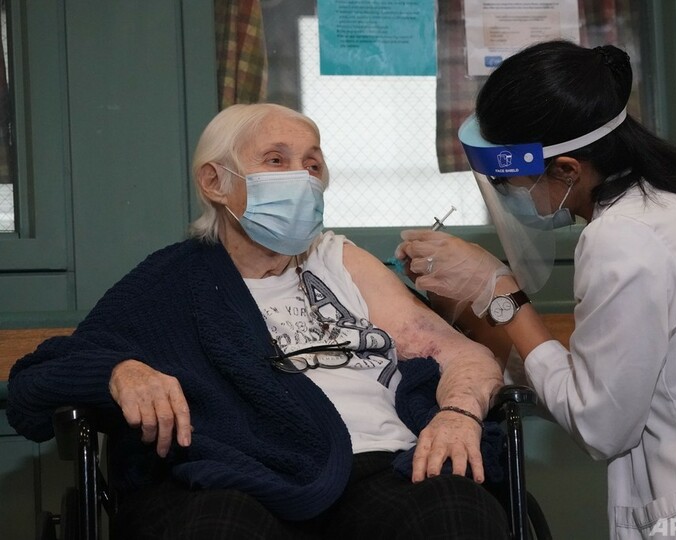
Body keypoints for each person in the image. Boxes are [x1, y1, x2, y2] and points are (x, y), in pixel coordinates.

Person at [7, 103, 512, 539]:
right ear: (215, 182)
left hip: (384, 468)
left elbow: (462, 355)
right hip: (240, 476)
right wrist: (121, 371)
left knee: (455, 511)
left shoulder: (340, 260)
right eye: (276, 160)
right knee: (219, 527)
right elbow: (35, 382)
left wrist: (458, 413)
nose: (302, 178)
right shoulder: (172, 280)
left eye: (312, 165)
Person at [396, 40, 676, 539]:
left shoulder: (622, 238)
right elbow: (613, 377)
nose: (508, 195)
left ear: (568, 169)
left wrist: (498, 289)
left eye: (512, 182)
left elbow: (599, 426)